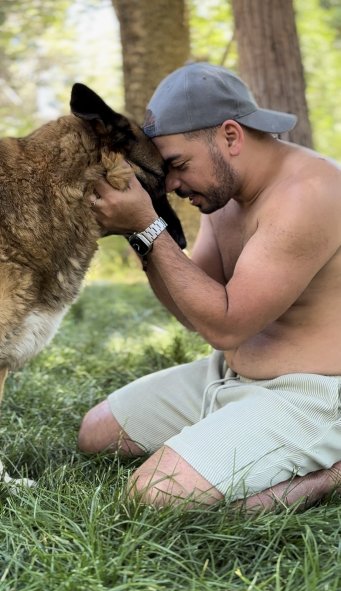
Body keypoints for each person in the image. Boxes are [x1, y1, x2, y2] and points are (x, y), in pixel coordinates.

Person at [78, 62, 341, 511]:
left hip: (309, 394)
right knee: (97, 434)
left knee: (154, 497)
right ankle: (233, 429)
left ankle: (331, 474)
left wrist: (148, 226)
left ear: (231, 136)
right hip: (228, 374)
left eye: (178, 165)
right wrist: (140, 234)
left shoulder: (310, 193)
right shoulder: (224, 198)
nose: (173, 184)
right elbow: (192, 309)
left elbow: (226, 325)